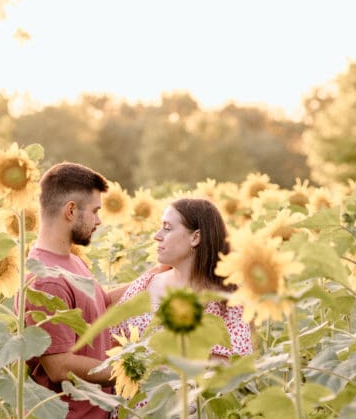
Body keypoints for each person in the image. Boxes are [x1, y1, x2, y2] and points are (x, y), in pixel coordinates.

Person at [25, 161, 122, 419]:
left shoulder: (71, 260)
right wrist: (127, 369)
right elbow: (59, 366)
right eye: (95, 211)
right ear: (71, 211)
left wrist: (156, 278)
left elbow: (103, 304)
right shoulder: (46, 279)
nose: (99, 220)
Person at [109, 197, 253, 360]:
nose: (157, 236)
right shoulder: (146, 283)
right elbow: (114, 349)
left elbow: (227, 374)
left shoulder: (227, 302)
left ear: (195, 237)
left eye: (167, 228)